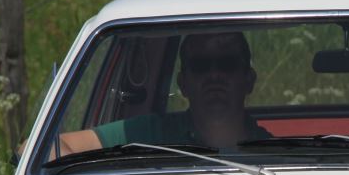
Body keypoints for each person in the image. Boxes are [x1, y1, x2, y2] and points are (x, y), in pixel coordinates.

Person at [53, 32, 270, 157]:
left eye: (227, 64)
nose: (214, 76)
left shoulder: (275, 153)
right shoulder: (147, 135)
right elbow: (49, 148)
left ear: (248, 80)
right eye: (201, 66)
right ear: (183, 84)